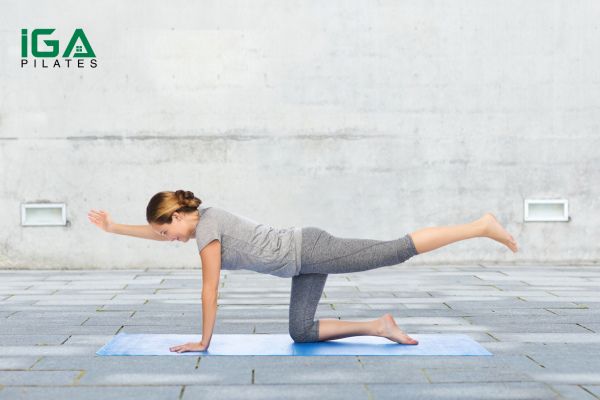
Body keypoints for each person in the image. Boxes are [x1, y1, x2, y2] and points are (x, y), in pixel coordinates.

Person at [88, 190, 518, 353]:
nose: (169, 239)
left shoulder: (208, 230)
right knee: (301, 331)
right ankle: (380, 326)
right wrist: (113, 228)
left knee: (393, 251)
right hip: (299, 264)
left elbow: (209, 289)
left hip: (310, 250)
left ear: (182, 213)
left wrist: (204, 341)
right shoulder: (199, 224)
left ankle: (479, 225)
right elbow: (155, 233)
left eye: (169, 231)